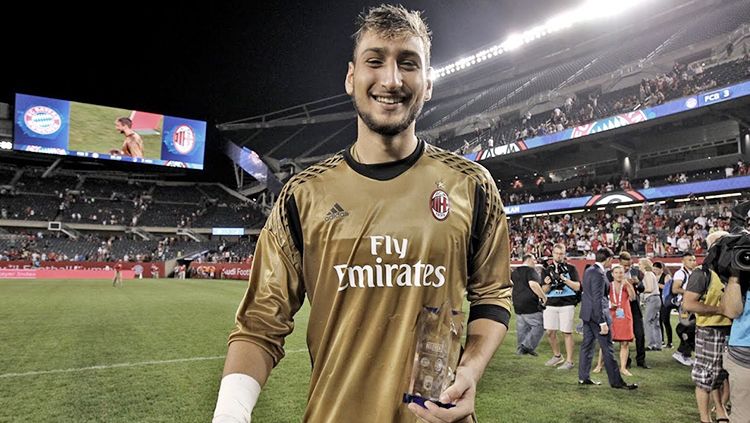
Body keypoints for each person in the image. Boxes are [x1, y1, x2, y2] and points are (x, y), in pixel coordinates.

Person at [213, 5, 513, 423]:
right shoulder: (303, 195)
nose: (391, 80)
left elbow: (492, 296)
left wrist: (470, 370)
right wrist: (230, 413)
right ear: (352, 77)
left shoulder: (471, 185)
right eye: (376, 61)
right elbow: (261, 323)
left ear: (427, 84)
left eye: (408, 64)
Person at [683, 231, 732, 423]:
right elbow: (689, 304)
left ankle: (720, 410)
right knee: (706, 378)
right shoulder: (702, 273)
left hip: (732, 331)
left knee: (723, 376)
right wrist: (720, 309)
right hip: (710, 330)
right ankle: (706, 419)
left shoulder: (733, 271)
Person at [578, 248, 637, 389]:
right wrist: (602, 321)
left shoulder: (589, 270)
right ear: (609, 259)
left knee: (587, 347)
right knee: (608, 349)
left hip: (587, 315)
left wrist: (610, 304)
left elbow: (590, 295)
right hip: (598, 316)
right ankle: (616, 382)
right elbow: (597, 299)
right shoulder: (599, 274)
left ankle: (583, 377)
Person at [541, 243, 580, 370]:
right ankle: (557, 356)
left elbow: (577, 287)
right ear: (552, 254)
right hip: (551, 303)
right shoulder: (547, 269)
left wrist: (563, 279)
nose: (559, 256)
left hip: (567, 303)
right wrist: (548, 283)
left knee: (566, 332)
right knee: (550, 331)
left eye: (561, 253)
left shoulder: (571, 268)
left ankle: (569, 361)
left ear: (564, 254)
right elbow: (544, 290)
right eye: (557, 253)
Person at [721, 273, 750, 423]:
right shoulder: (741, 278)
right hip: (744, 356)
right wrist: (734, 275)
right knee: (743, 417)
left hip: (742, 351)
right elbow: (731, 312)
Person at [512, 254, 546, 356]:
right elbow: (533, 285)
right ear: (529, 260)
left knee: (522, 327)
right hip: (530, 303)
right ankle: (526, 346)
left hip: (517, 302)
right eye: (534, 260)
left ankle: (521, 349)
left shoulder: (515, 272)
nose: (535, 263)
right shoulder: (531, 271)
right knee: (540, 325)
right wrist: (543, 297)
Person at [672, 251, 698, 366]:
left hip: (690, 305)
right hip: (684, 306)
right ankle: (682, 352)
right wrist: (691, 293)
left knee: (688, 329)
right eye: (689, 260)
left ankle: (685, 353)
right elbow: (675, 289)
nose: (692, 262)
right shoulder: (680, 273)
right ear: (683, 261)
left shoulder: (692, 273)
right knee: (687, 328)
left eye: (693, 260)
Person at [640, 258, 662, 351]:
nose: (639, 265)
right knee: (655, 323)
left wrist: (639, 289)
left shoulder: (647, 274)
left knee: (647, 322)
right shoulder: (651, 274)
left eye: (640, 264)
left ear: (644, 265)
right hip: (656, 298)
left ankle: (650, 344)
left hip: (651, 298)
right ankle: (658, 344)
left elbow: (649, 288)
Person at [654, 261, 674, 348]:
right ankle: (661, 340)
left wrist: (656, 284)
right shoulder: (654, 276)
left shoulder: (666, 276)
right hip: (657, 300)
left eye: (656, 269)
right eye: (653, 269)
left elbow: (668, 287)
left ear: (661, 269)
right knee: (658, 321)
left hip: (665, 301)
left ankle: (670, 342)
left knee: (665, 321)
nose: (655, 271)